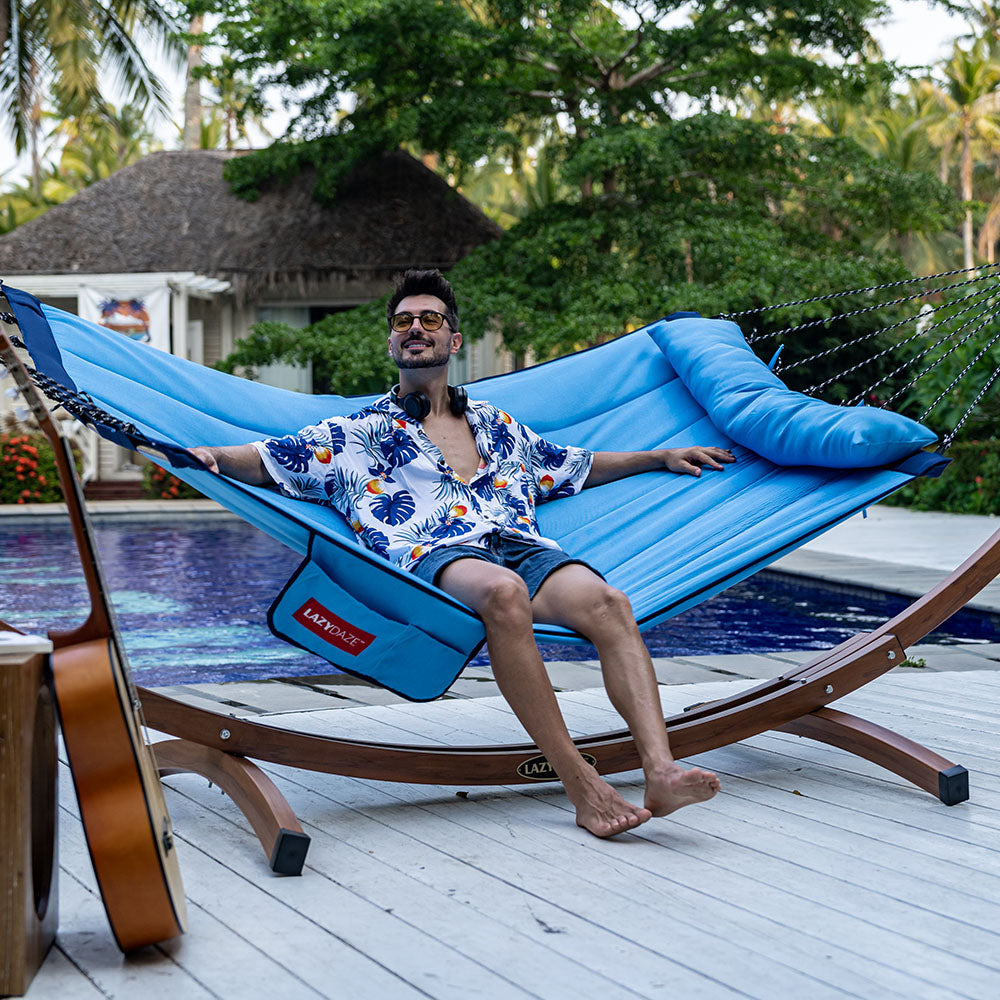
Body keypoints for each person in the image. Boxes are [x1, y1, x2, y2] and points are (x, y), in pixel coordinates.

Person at [189, 268, 735, 838]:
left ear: (454, 341)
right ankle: (579, 781)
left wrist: (657, 456)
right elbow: (266, 457)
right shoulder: (353, 433)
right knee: (503, 594)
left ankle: (660, 770)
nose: (415, 328)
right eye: (404, 321)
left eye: (430, 319)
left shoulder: (496, 424)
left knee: (610, 603)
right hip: (435, 555)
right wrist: (206, 453)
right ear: (392, 342)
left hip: (519, 545)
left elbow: (573, 465)